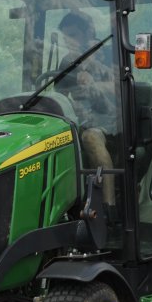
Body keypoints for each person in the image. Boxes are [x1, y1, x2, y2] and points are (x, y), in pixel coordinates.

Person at [52, 10, 116, 204]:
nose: (68, 41)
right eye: (65, 37)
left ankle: (109, 207)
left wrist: (94, 85)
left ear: (88, 32)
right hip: (81, 118)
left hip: (112, 118)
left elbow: (120, 87)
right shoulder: (67, 62)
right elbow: (59, 95)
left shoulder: (108, 53)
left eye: (73, 35)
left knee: (90, 137)